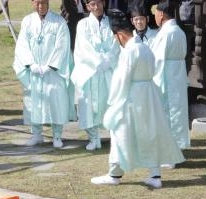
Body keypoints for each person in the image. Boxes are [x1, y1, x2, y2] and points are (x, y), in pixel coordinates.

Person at [91, 10, 183, 189]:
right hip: (148, 96)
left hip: (132, 97)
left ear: (118, 35)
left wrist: (114, 101)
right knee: (149, 133)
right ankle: (155, 174)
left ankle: (114, 174)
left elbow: (122, 79)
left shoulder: (129, 51)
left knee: (120, 133)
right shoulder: (145, 47)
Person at [13, 0, 72, 149]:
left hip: (52, 71)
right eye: (37, 3)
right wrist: (30, 64)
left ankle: (57, 135)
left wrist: (50, 66)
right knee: (34, 102)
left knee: (55, 101)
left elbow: (62, 45)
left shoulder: (59, 22)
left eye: (44, 2)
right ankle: (36, 134)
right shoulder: (27, 21)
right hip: (34, 70)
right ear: (33, 3)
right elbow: (22, 44)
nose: (41, 6)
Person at [71, 0, 118, 151]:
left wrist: (108, 60)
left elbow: (117, 43)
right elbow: (83, 47)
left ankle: (115, 137)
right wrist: (97, 61)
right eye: (92, 4)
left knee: (111, 103)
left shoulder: (112, 22)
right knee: (87, 103)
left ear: (103, 3)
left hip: (109, 69)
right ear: (87, 6)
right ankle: (93, 137)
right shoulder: (83, 24)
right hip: (90, 70)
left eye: (98, 3)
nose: (96, 7)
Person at [151, 1, 190, 152]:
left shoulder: (168, 33)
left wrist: (153, 81)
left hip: (167, 76)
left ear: (160, 14)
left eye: (155, 13)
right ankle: (175, 149)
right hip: (177, 74)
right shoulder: (178, 31)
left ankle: (170, 152)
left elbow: (158, 60)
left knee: (169, 113)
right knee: (176, 112)